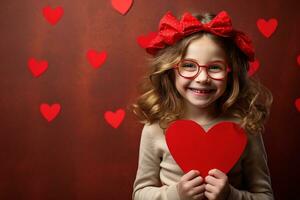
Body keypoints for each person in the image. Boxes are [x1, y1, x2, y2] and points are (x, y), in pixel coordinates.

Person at [130, 10, 274, 200]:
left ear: (231, 73)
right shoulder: (155, 127)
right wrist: (176, 194)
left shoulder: (245, 125)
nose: (203, 78)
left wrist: (231, 195)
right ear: (170, 70)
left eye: (215, 67)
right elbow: (139, 193)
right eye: (189, 65)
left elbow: (265, 196)